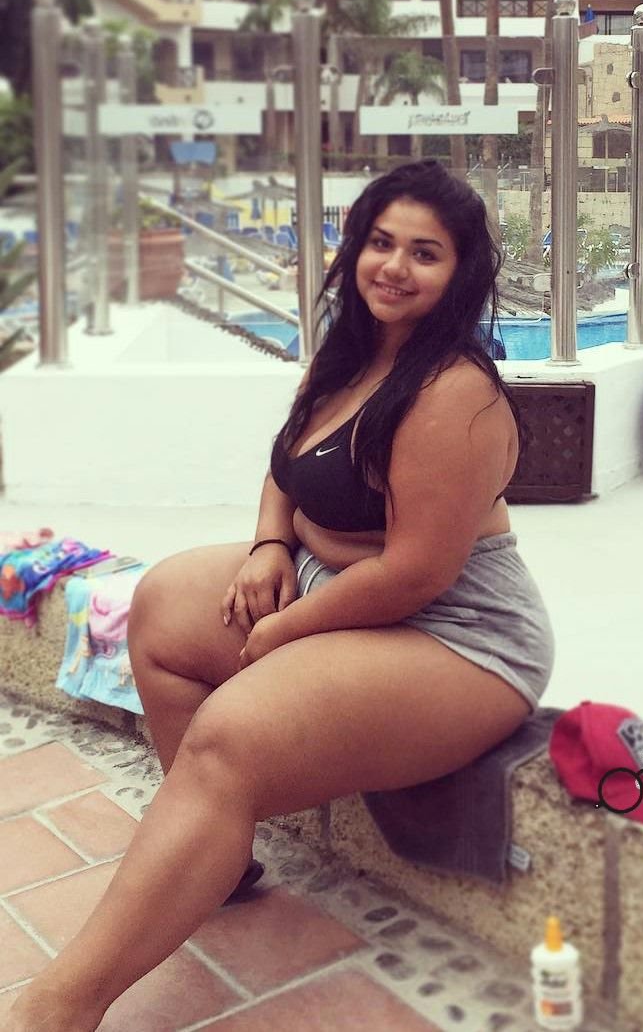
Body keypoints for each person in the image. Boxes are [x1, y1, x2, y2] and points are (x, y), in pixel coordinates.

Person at [9, 160, 554, 1031]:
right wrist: (270, 544)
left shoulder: (455, 393)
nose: (394, 267)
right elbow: (287, 465)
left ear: (460, 273)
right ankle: (211, 857)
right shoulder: (345, 353)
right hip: (333, 586)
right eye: (381, 242)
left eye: (425, 253)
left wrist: (290, 628)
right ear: (356, 246)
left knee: (229, 740)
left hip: (455, 633)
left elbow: (416, 573)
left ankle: (58, 1008)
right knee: (160, 607)